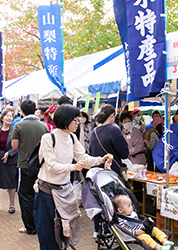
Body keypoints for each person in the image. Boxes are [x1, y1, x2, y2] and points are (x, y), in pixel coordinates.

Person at [34, 104, 112, 249]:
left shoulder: (71, 138)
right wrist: (72, 167)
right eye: (75, 120)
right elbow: (51, 165)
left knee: (64, 230)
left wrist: (101, 159)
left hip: (63, 190)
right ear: (65, 120)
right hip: (46, 192)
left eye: (79, 120)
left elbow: (83, 158)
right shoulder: (48, 138)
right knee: (47, 231)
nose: (78, 123)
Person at [89, 104, 129, 238]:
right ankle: (109, 231)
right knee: (111, 201)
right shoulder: (113, 130)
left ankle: (97, 229)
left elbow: (90, 152)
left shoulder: (94, 131)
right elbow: (124, 153)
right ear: (112, 115)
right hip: (110, 173)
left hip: (96, 173)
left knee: (99, 201)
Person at [11, 99, 49, 235]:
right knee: (39, 194)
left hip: (25, 165)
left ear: (21, 111)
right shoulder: (43, 126)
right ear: (35, 110)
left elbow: (14, 146)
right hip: (40, 165)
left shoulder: (19, 125)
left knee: (25, 196)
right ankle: (40, 224)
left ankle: (30, 226)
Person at [0, 109, 18, 214]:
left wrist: (9, 153)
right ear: (2, 118)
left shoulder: (14, 130)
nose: (9, 118)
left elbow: (17, 146)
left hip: (9, 158)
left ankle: (11, 205)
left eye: (11, 116)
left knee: (11, 182)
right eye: (7, 116)